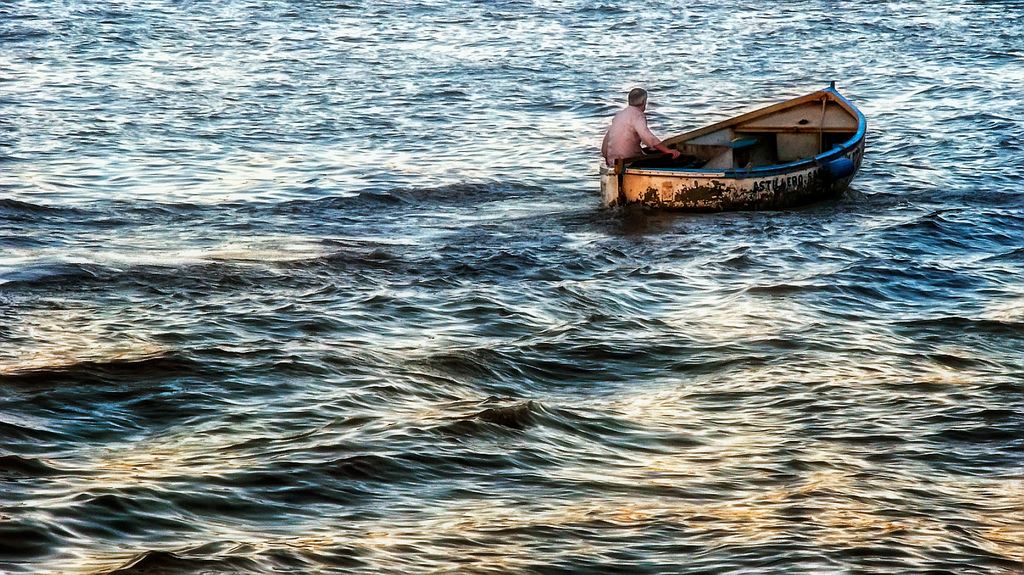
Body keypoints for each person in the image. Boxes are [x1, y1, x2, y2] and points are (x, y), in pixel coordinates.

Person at [601, 87, 681, 166]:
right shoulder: (638, 115)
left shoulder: (619, 115)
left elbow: (606, 141)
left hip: (613, 162)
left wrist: (607, 159)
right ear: (643, 101)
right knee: (669, 160)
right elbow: (646, 136)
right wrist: (667, 150)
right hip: (629, 161)